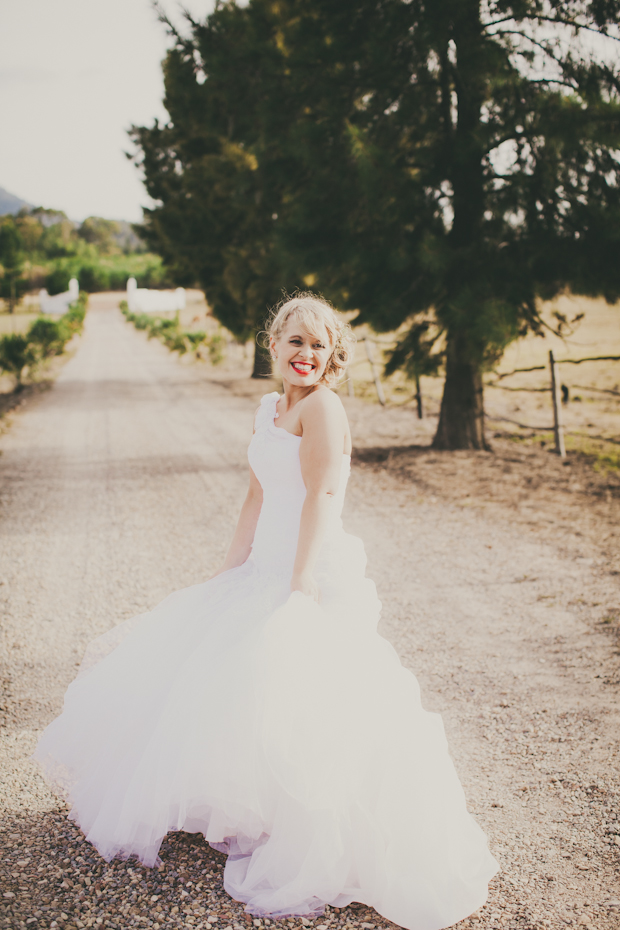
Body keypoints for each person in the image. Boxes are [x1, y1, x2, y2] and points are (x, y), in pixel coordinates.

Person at [33, 293, 498, 929]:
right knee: (225, 676)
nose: (305, 354)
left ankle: (309, 824)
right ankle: (245, 807)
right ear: (272, 345)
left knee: (298, 691)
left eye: (318, 344)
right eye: (294, 341)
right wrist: (231, 568)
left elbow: (321, 496)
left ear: (332, 355)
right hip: (264, 565)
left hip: (307, 565)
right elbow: (255, 493)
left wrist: (301, 580)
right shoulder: (270, 408)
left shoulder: (325, 411)